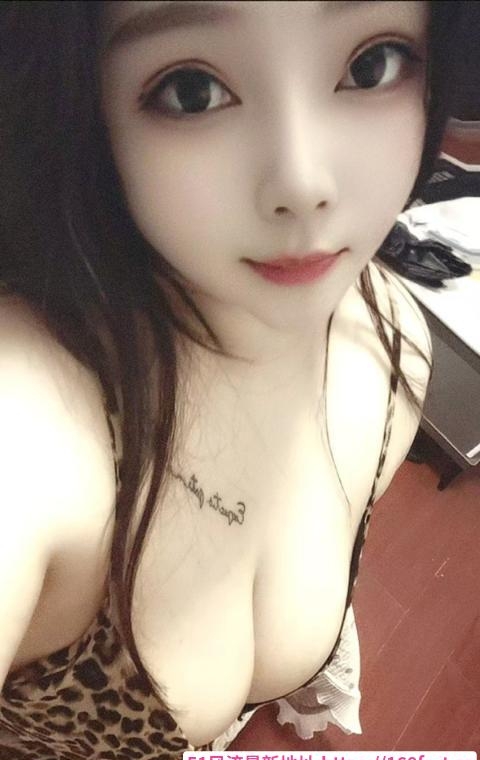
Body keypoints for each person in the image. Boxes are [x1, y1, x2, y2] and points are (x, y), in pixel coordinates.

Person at [0, 1, 469, 757]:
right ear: (85, 108)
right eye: (191, 91)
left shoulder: (391, 343)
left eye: (370, 65)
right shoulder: (28, 423)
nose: (304, 183)